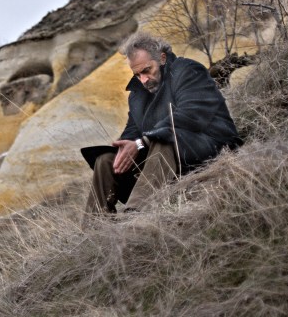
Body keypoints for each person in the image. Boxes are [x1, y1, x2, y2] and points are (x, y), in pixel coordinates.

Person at [84, 31, 242, 214]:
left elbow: (191, 114)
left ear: (162, 58)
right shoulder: (137, 96)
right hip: (168, 160)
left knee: (163, 139)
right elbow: (133, 130)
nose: (143, 80)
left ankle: (135, 215)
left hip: (211, 146)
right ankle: (94, 226)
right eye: (137, 75)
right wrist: (126, 146)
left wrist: (141, 143)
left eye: (146, 70)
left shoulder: (188, 70)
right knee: (107, 160)